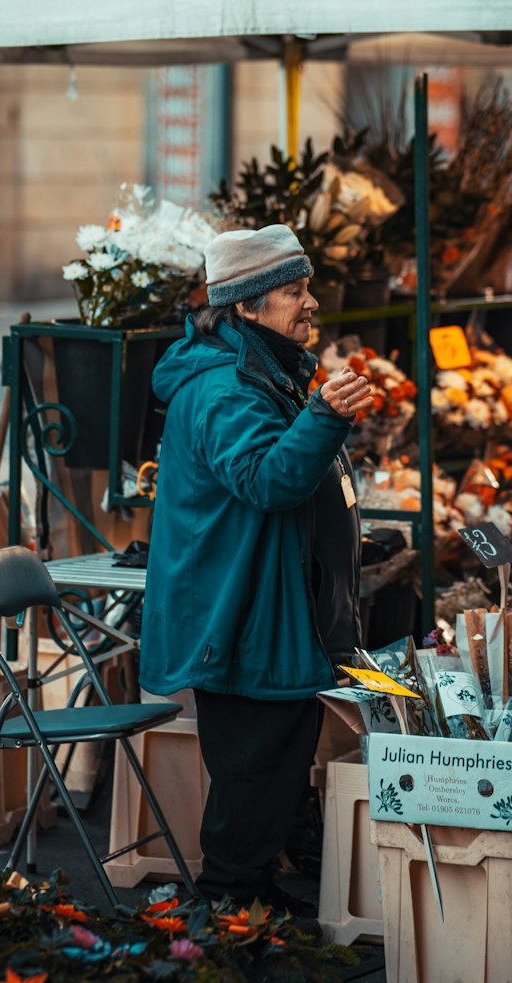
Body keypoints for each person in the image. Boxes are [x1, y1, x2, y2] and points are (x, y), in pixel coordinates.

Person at [140, 224, 371, 909]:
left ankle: (254, 894)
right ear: (245, 306)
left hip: (266, 607)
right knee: (253, 775)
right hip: (238, 615)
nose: (310, 304)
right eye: (292, 292)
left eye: (306, 288)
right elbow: (267, 481)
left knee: (274, 770)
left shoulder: (265, 369)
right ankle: (226, 914)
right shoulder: (223, 390)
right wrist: (326, 415)